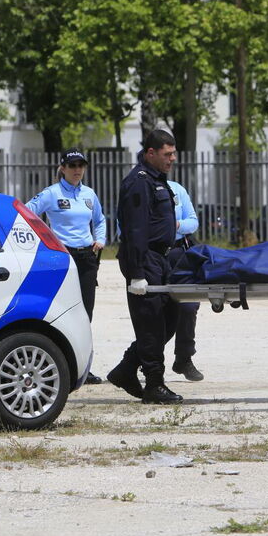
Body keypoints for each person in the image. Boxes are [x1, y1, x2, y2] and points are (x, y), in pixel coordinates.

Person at [107, 129, 183, 404]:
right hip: (145, 259)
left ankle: (126, 369)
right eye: (167, 154)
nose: (172, 158)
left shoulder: (157, 180)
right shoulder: (139, 183)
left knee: (169, 321)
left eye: (173, 153)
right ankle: (154, 384)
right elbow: (135, 229)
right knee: (150, 323)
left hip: (160, 259)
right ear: (151, 153)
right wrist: (137, 273)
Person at [26, 149, 106, 384]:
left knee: (86, 313)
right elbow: (27, 213)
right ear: (62, 167)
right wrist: (44, 241)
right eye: (72, 165)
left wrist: (100, 239)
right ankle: (56, 365)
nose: (77, 170)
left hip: (87, 258)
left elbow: (99, 220)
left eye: (81, 165)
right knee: (59, 311)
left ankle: (84, 368)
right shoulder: (52, 193)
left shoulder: (90, 194)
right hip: (62, 258)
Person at [167, 179, 204, 382]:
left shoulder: (177, 189)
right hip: (153, 255)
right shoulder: (140, 188)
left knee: (189, 305)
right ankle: (144, 362)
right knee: (156, 311)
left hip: (179, 251)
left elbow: (193, 221)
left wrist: (177, 224)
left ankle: (184, 358)